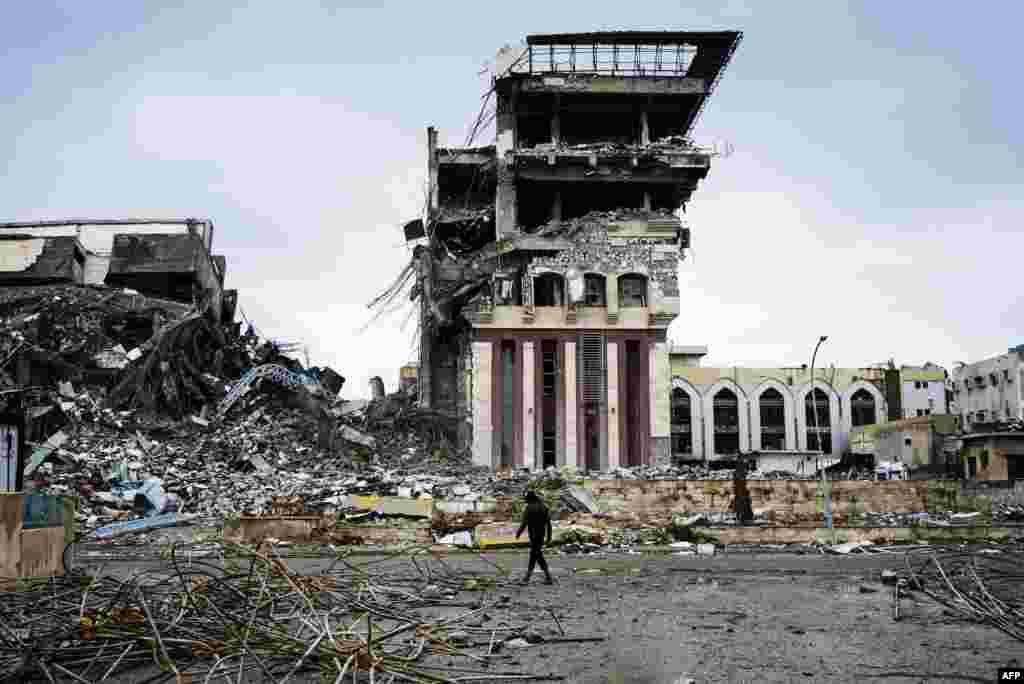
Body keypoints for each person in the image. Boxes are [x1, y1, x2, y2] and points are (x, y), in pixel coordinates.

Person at [515, 490, 554, 585]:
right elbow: (548, 524)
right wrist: (549, 537)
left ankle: (527, 578)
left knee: (535, 555)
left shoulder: (529, 508)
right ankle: (547, 577)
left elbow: (524, 522)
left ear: (529, 499)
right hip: (541, 535)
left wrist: (518, 533)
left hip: (533, 535)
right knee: (537, 555)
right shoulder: (544, 507)